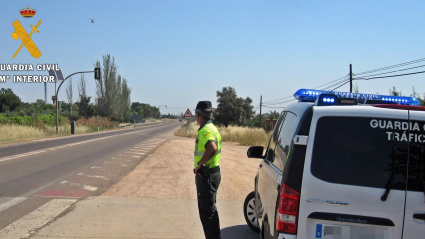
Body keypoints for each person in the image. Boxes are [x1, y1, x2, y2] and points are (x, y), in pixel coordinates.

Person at [193, 101, 222, 239]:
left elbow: (212, 148)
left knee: (207, 214)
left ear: (198, 115)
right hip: (213, 173)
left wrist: (199, 164)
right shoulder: (213, 128)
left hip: (207, 175)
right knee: (210, 212)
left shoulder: (205, 130)